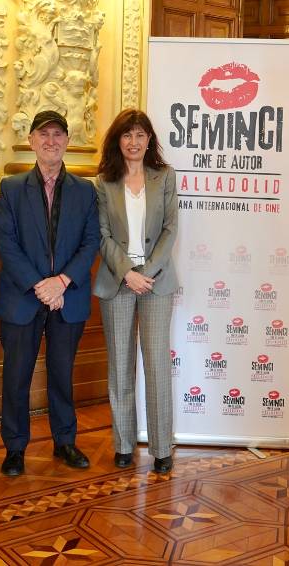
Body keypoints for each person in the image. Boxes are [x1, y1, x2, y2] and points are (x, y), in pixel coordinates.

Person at [0, 110, 100, 476]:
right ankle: (15, 447)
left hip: (68, 298)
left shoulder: (86, 191)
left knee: (62, 374)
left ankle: (65, 441)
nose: (51, 141)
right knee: (16, 376)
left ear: (67, 141)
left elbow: (91, 242)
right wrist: (41, 286)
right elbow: (6, 243)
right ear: (31, 141)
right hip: (23, 297)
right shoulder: (11, 188)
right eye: (44, 134)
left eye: (58, 134)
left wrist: (63, 282)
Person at [93, 109, 178, 473]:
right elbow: (102, 235)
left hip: (156, 282)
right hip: (118, 282)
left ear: (149, 140)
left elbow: (170, 228)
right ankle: (124, 444)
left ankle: (161, 448)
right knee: (120, 365)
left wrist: (148, 271)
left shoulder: (165, 176)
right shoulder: (103, 182)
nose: (134, 141)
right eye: (127, 135)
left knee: (157, 365)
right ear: (118, 140)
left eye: (140, 134)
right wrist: (128, 272)